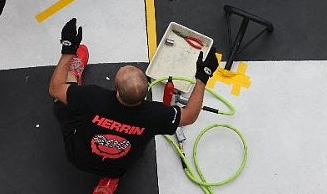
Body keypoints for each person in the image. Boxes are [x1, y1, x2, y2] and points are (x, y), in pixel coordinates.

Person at [48, 18, 217, 194]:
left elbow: (54, 88)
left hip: (78, 157)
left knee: (63, 99)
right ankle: (110, 180)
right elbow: (190, 116)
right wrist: (203, 77)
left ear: (117, 91)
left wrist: (68, 49)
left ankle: (73, 73)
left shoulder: (92, 97)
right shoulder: (155, 114)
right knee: (125, 158)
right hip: (119, 166)